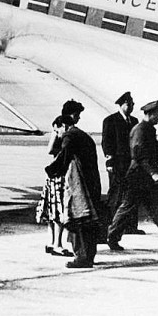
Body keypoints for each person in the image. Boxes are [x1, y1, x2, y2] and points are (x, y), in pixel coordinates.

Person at [106, 100, 158, 254]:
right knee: (127, 208)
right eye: (157, 115)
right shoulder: (141, 130)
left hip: (146, 178)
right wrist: (154, 173)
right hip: (138, 177)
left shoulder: (147, 129)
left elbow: (148, 150)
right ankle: (112, 236)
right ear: (150, 114)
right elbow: (140, 154)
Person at [45, 100, 103, 269]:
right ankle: (88, 256)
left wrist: (51, 171)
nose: (59, 134)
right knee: (89, 220)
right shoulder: (82, 134)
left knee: (79, 219)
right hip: (92, 181)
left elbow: (64, 156)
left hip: (81, 184)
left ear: (63, 125)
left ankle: (82, 258)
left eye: (58, 130)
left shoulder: (70, 136)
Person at [101, 91, 143, 235]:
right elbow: (106, 143)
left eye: (132, 104)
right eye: (128, 104)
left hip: (131, 163)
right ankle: (112, 225)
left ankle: (131, 226)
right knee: (116, 193)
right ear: (121, 105)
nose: (131, 106)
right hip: (117, 164)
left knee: (132, 193)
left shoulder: (134, 121)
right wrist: (109, 162)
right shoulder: (110, 120)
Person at [36, 113, 72, 257]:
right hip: (59, 175)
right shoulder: (60, 133)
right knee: (58, 209)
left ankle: (52, 242)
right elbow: (50, 149)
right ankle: (57, 244)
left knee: (52, 209)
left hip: (53, 174)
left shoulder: (60, 132)